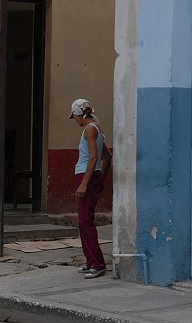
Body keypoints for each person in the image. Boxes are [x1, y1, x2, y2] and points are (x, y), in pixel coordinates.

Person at [69, 98, 112, 279]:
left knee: (85, 222)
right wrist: (99, 178)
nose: (76, 121)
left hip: (86, 176)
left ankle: (97, 264)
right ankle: (90, 262)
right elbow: (108, 157)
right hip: (92, 176)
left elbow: (94, 157)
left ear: (79, 115)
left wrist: (85, 183)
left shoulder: (90, 129)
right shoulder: (97, 128)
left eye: (75, 117)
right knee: (84, 222)